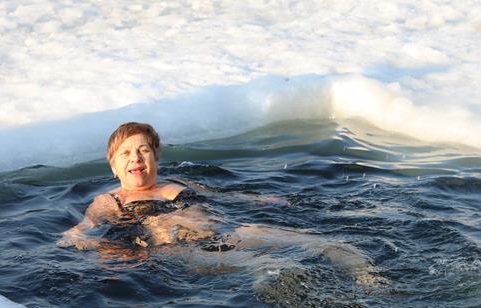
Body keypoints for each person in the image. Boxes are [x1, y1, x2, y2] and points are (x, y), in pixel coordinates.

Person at [59, 122, 382, 285]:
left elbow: (224, 197)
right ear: (113, 165)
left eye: (143, 150)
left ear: (156, 156)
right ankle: (311, 306)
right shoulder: (110, 199)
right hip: (184, 251)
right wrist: (83, 244)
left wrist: (264, 199)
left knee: (322, 243)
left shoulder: (180, 184)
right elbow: (83, 231)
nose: (136, 158)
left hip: (229, 233)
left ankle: (369, 280)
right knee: (275, 269)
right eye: (126, 153)